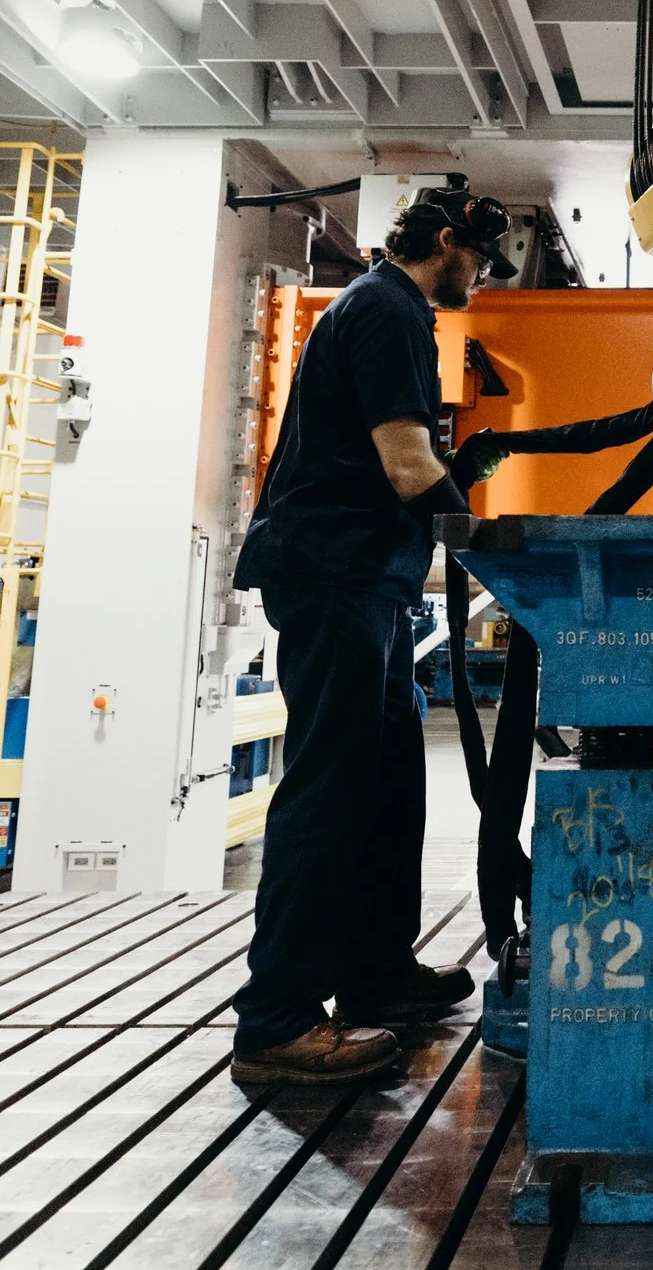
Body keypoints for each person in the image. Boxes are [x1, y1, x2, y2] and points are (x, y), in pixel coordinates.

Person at [227, 181, 519, 1084]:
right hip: (338, 578)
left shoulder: (384, 309)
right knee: (330, 791)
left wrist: (456, 466)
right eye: (475, 259)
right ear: (442, 240)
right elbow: (402, 464)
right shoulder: (390, 308)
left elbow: (396, 452)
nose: (480, 277)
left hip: (370, 584)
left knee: (392, 781)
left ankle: (375, 974)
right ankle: (276, 1020)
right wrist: (477, 528)